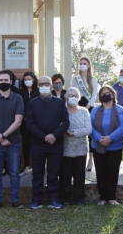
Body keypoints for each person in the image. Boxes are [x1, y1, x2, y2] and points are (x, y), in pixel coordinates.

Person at [26, 76, 70, 209]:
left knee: (53, 174)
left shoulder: (60, 102)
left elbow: (66, 122)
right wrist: (45, 136)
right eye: (41, 84)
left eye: (47, 83)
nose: (44, 86)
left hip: (55, 144)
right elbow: (30, 124)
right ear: (38, 86)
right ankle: (37, 200)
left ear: (51, 86)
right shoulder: (32, 103)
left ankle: (53, 199)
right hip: (38, 144)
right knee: (37, 174)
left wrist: (54, 135)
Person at [0, 70, 24, 209]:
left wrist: (4, 136)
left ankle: (15, 200)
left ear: (11, 82)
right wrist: (0, 138)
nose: (3, 82)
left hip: (14, 142)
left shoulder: (18, 98)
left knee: (14, 173)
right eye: (1, 80)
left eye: (6, 80)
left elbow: (18, 121)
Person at [91, 86, 123, 206]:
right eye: (103, 93)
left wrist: (110, 138)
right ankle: (103, 198)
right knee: (101, 172)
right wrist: (99, 138)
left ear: (113, 95)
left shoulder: (120, 110)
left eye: (108, 93)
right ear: (100, 96)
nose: (105, 95)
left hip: (115, 147)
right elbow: (90, 127)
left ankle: (112, 197)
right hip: (98, 146)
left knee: (112, 172)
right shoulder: (95, 110)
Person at [59, 87, 92, 205]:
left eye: (75, 95)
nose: (73, 98)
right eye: (70, 95)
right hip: (65, 148)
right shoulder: (61, 110)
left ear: (79, 98)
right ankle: (64, 199)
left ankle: (78, 199)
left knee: (79, 175)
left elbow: (88, 129)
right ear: (66, 97)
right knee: (65, 175)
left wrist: (73, 133)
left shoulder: (84, 111)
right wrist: (64, 132)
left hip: (81, 148)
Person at [71, 57, 99, 173]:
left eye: (84, 63)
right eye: (80, 63)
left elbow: (94, 95)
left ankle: (90, 160)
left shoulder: (93, 79)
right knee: (78, 130)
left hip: (89, 107)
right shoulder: (75, 79)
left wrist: (86, 108)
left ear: (88, 65)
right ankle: (78, 157)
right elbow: (72, 92)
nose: (82, 65)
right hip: (77, 106)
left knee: (90, 133)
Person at [20, 71, 39, 175]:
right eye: (26, 80)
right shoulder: (20, 92)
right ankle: (27, 165)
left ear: (34, 80)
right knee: (26, 144)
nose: (27, 81)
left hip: (36, 123)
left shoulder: (38, 91)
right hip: (25, 122)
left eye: (29, 79)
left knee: (36, 144)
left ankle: (35, 165)